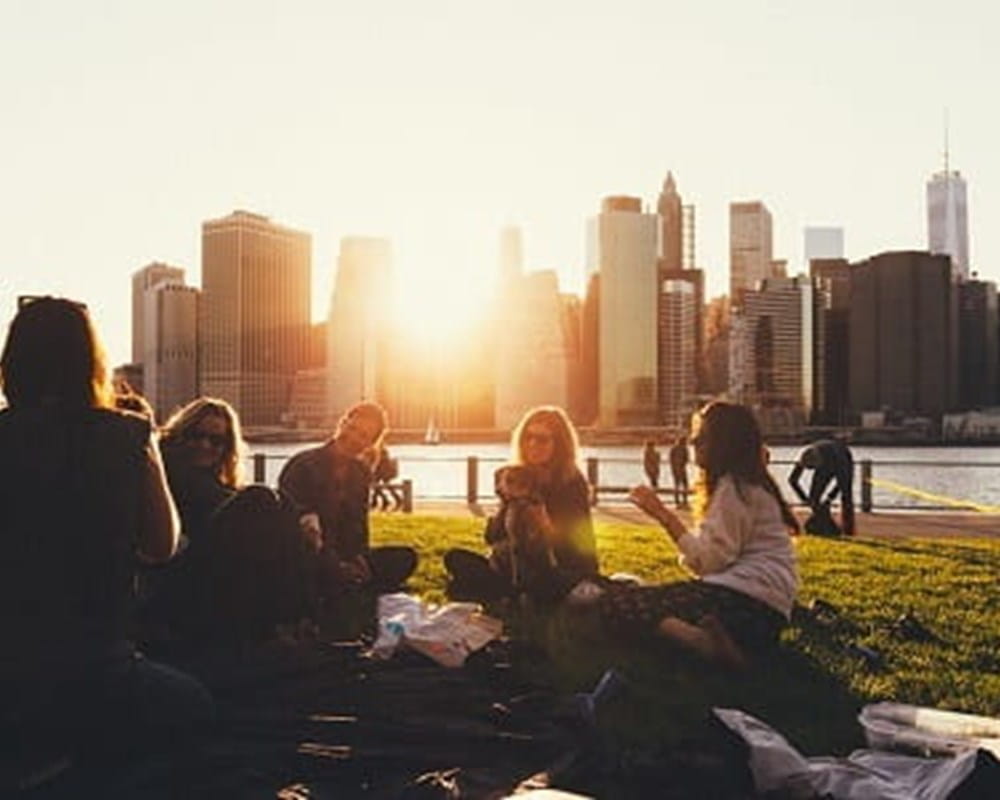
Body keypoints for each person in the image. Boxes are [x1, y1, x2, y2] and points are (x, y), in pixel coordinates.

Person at [0, 297, 211, 759]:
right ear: (92, 362)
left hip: (11, 674)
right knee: (194, 705)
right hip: (98, 669)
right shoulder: (129, 434)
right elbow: (162, 545)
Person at [599, 401, 799, 668]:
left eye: (701, 437)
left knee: (615, 602)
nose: (692, 442)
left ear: (724, 443)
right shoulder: (754, 486)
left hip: (740, 602)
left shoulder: (733, 489)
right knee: (649, 598)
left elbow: (709, 562)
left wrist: (663, 515)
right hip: (768, 617)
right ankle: (725, 643)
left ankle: (700, 642)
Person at [444, 405, 599, 605]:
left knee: (540, 582)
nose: (533, 444)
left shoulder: (571, 483)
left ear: (559, 444)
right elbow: (491, 538)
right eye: (528, 437)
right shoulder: (516, 477)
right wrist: (504, 506)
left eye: (542, 439)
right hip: (514, 565)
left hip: (560, 567)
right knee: (455, 558)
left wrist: (546, 528)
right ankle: (507, 592)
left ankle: (505, 592)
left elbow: (577, 548)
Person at [278, 402, 417, 614]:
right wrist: (336, 565)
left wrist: (359, 559)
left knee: (405, 557)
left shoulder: (361, 473)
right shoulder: (302, 464)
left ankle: (350, 580)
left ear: (370, 443)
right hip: (308, 553)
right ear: (342, 424)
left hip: (344, 554)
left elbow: (359, 527)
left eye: (363, 435)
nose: (353, 438)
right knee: (311, 565)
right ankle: (342, 583)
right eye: (351, 428)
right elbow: (293, 523)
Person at [788, 437, 855, 536]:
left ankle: (848, 530)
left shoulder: (837, 459)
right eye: (809, 468)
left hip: (842, 458)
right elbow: (792, 480)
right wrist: (805, 499)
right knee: (814, 498)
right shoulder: (806, 456)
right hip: (823, 458)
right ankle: (821, 523)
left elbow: (842, 483)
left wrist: (830, 497)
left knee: (846, 497)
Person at [669, 434, 690, 509]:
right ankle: (684, 500)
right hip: (681, 469)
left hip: (675, 469)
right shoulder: (684, 449)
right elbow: (687, 459)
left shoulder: (674, 448)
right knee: (684, 484)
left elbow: (671, 459)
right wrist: (683, 464)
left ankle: (677, 500)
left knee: (677, 484)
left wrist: (673, 468)